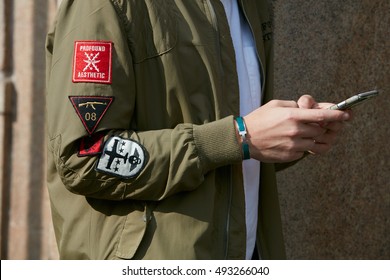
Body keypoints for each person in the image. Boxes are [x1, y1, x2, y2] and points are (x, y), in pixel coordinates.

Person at [45, 0, 351, 260]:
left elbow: (232, 143)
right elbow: (84, 156)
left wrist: (290, 134)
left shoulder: (253, 6)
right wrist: (238, 137)